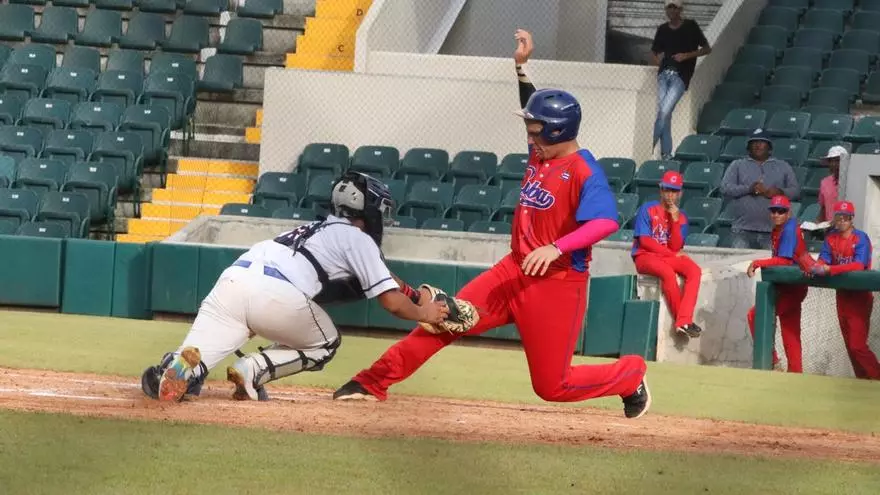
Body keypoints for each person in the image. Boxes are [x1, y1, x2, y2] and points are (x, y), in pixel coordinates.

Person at [333, 29, 653, 420]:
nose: (530, 135)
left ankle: (629, 375)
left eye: (536, 130)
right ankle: (371, 382)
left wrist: (557, 247)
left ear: (557, 132)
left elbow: (605, 221)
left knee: (552, 386)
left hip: (556, 285)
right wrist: (521, 68)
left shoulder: (585, 170)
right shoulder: (540, 154)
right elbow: (533, 111)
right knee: (443, 321)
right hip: (511, 271)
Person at [140, 171, 451, 402]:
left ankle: (179, 369)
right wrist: (426, 312)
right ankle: (254, 369)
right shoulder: (359, 238)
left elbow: (384, 279)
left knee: (195, 359)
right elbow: (391, 302)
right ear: (368, 210)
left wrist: (412, 292)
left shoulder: (314, 227)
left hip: (232, 282)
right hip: (276, 295)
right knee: (326, 343)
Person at [808, 201, 880, 380]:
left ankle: (877, 377)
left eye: (845, 218)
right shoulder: (831, 237)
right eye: (839, 217)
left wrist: (830, 270)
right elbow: (824, 258)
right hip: (842, 295)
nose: (841, 221)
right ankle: (862, 382)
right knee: (850, 345)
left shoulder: (860, 237)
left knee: (857, 345)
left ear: (851, 219)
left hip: (860, 296)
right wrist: (817, 266)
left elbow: (859, 264)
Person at [631, 170, 703, 337]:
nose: (670, 195)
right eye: (667, 190)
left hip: (667, 256)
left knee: (694, 270)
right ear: (661, 189)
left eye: (674, 191)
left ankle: (684, 319)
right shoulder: (647, 209)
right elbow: (645, 241)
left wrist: (675, 221)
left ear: (680, 193)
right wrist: (671, 255)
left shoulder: (682, 217)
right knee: (667, 273)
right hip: (645, 256)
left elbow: (676, 245)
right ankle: (683, 321)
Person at [746, 195, 809, 373]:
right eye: (773, 210)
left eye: (781, 211)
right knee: (790, 332)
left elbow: (785, 261)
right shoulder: (780, 228)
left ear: (788, 213)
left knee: (755, 316)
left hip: (793, 286)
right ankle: (796, 374)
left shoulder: (790, 229)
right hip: (789, 285)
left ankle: (772, 361)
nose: (776, 214)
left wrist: (759, 262)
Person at [651, 0, 712, 160]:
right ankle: (666, 154)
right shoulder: (662, 29)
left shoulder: (691, 26)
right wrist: (660, 64)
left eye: (674, 7)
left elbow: (707, 49)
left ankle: (649, 145)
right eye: (668, 8)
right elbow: (655, 51)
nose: (671, 11)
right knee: (666, 114)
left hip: (680, 76)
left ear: (680, 9)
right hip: (664, 74)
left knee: (663, 111)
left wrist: (686, 56)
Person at [720, 129, 800, 250]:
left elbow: (795, 191)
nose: (758, 145)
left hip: (772, 229)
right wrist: (749, 189)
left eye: (762, 142)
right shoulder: (737, 165)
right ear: (748, 146)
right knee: (739, 266)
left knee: (770, 266)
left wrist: (779, 193)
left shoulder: (783, 166)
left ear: (769, 146)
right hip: (742, 230)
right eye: (754, 142)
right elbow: (725, 188)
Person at [816, 146, 848, 224]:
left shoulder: (854, 181)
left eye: (837, 160)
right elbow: (823, 207)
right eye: (831, 161)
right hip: (829, 228)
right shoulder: (825, 182)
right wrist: (818, 223)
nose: (834, 164)